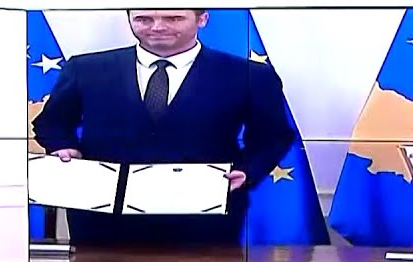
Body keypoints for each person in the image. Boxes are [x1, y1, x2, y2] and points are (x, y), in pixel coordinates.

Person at [31, 9, 296, 248]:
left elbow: (273, 136)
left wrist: (247, 170)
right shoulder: (85, 68)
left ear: (202, 19)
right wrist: (63, 146)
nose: (157, 27)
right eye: (144, 19)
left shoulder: (249, 75)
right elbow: (51, 122)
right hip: (103, 220)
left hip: (203, 221)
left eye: (173, 18)